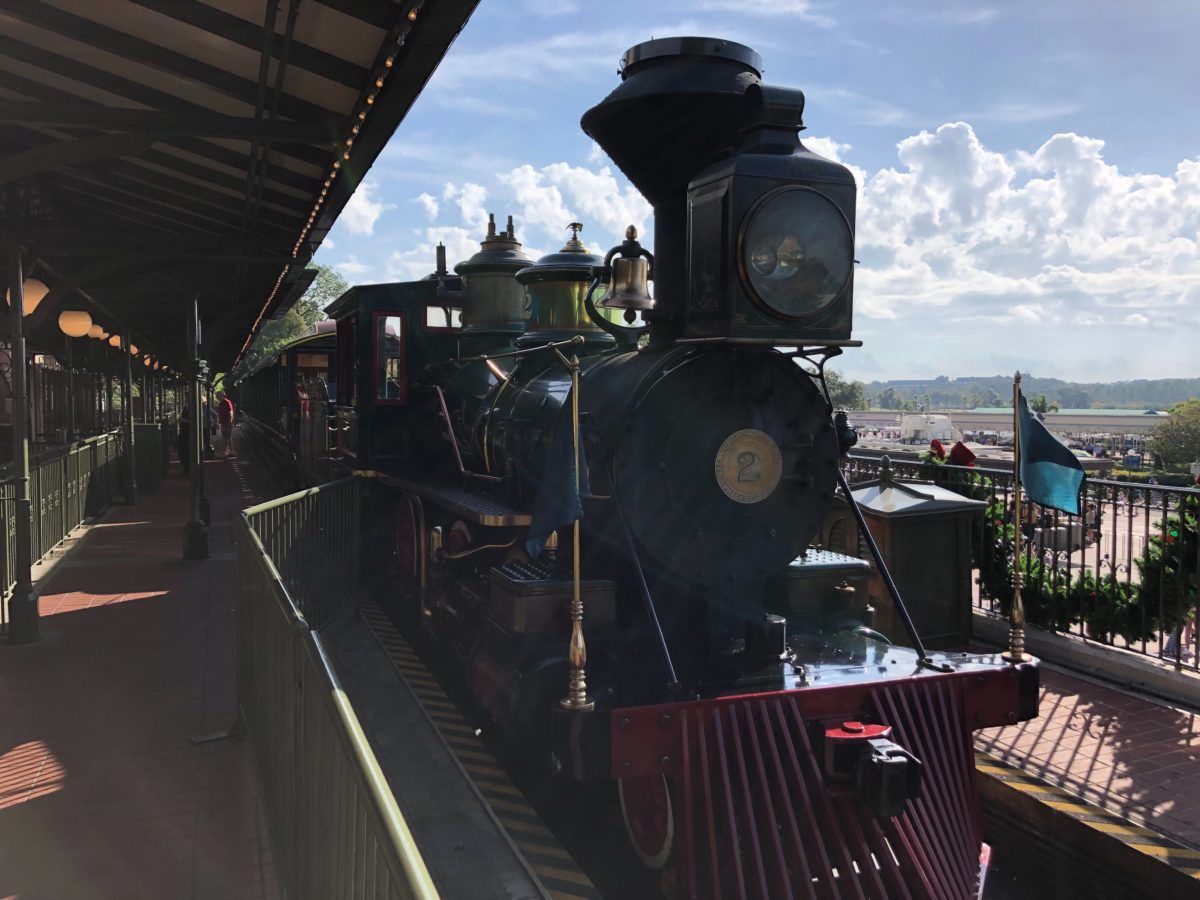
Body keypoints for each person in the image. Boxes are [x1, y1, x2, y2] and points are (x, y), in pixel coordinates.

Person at [217, 391, 235, 457]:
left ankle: (227, 452)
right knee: (226, 437)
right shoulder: (220, 403)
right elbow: (219, 413)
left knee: (227, 437)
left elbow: (231, 412)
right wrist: (218, 422)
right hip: (223, 422)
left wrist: (231, 422)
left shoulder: (227, 402)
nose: (217, 397)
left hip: (227, 422)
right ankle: (229, 451)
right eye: (217, 396)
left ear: (223, 395)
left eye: (219, 396)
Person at [177, 405, 191, 475]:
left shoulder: (194, 407)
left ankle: (188, 469)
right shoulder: (186, 407)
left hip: (189, 432)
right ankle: (185, 468)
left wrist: (184, 420)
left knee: (187, 451)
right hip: (183, 432)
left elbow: (196, 420)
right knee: (181, 449)